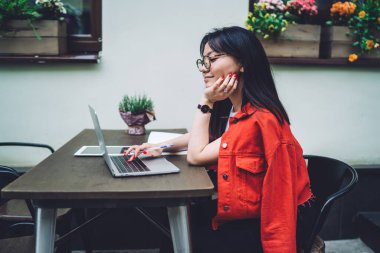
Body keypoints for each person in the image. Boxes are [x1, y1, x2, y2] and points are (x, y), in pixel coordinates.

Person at [125, 26, 313, 253]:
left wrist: (206, 101)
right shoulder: (233, 108)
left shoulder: (262, 119)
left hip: (261, 225)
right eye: (203, 61)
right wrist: (159, 146)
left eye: (212, 59)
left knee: (178, 235)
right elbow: (211, 138)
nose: (204, 68)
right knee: (173, 229)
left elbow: (196, 155)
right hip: (244, 210)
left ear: (243, 63)